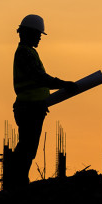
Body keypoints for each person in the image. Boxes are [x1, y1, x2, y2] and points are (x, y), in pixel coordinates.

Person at [7, 14, 78, 190]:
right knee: (27, 147)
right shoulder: (25, 52)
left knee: (28, 147)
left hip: (34, 107)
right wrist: (63, 84)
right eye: (38, 34)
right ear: (29, 33)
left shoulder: (29, 52)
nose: (40, 37)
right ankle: (17, 183)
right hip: (29, 107)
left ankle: (18, 182)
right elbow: (39, 78)